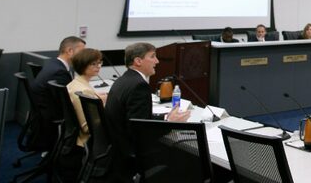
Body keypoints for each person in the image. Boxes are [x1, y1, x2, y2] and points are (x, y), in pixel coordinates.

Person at [105, 43, 190, 182]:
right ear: (138, 61)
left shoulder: (123, 80)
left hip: (116, 152)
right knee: (184, 156)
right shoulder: (139, 85)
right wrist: (169, 123)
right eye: (152, 57)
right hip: (132, 158)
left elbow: (137, 118)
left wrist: (164, 118)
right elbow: (139, 131)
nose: (157, 61)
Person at [29, 36, 86, 149]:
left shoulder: (53, 63)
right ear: (70, 51)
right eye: (82, 52)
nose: (84, 56)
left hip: (41, 113)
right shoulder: (59, 72)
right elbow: (69, 102)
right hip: (51, 116)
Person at [64, 48, 106, 179]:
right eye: (93, 64)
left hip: (71, 139)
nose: (98, 66)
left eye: (99, 63)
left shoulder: (74, 84)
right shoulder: (84, 91)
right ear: (83, 65)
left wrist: (98, 99)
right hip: (85, 141)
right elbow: (88, 126)